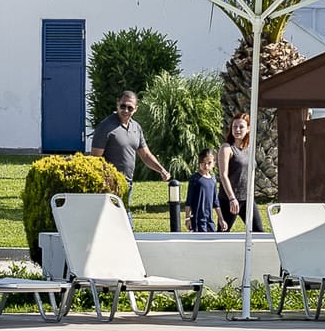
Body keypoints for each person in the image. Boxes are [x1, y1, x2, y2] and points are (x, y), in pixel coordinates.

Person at [92, 88, 172, 225]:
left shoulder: (136, 127)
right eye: (122, 106)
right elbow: (95, 160)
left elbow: (145, 155)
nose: (126, 110)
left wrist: (161, 170)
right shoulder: (106, 127)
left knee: (124, 222)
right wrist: (105, 182)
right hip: (109, 187)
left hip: (127, 185)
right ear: (117, 104)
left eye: (130, 108)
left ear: (136, 109)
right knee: (119, 224)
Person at [221, 110, 255, 232]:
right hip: (230, 199)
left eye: (241, 127)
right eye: (235, 126)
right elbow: (223, 175)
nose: (237, 130)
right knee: (223, 232)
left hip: (247, 198)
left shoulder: (249, 148)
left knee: (258, 231)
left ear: (248, 129)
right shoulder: (227, 148)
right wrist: (231, 198)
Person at [183, 146, 225, 234]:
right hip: (197, 220)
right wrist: (187, 218)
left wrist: (221, 219)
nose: (206, 166)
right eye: (203, 163)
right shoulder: (195, 179)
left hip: (209, 220)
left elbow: (216, 202)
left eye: (209, 163)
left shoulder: (213, 180)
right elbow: (189, 201)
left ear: (214, 163)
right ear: (199, 163)